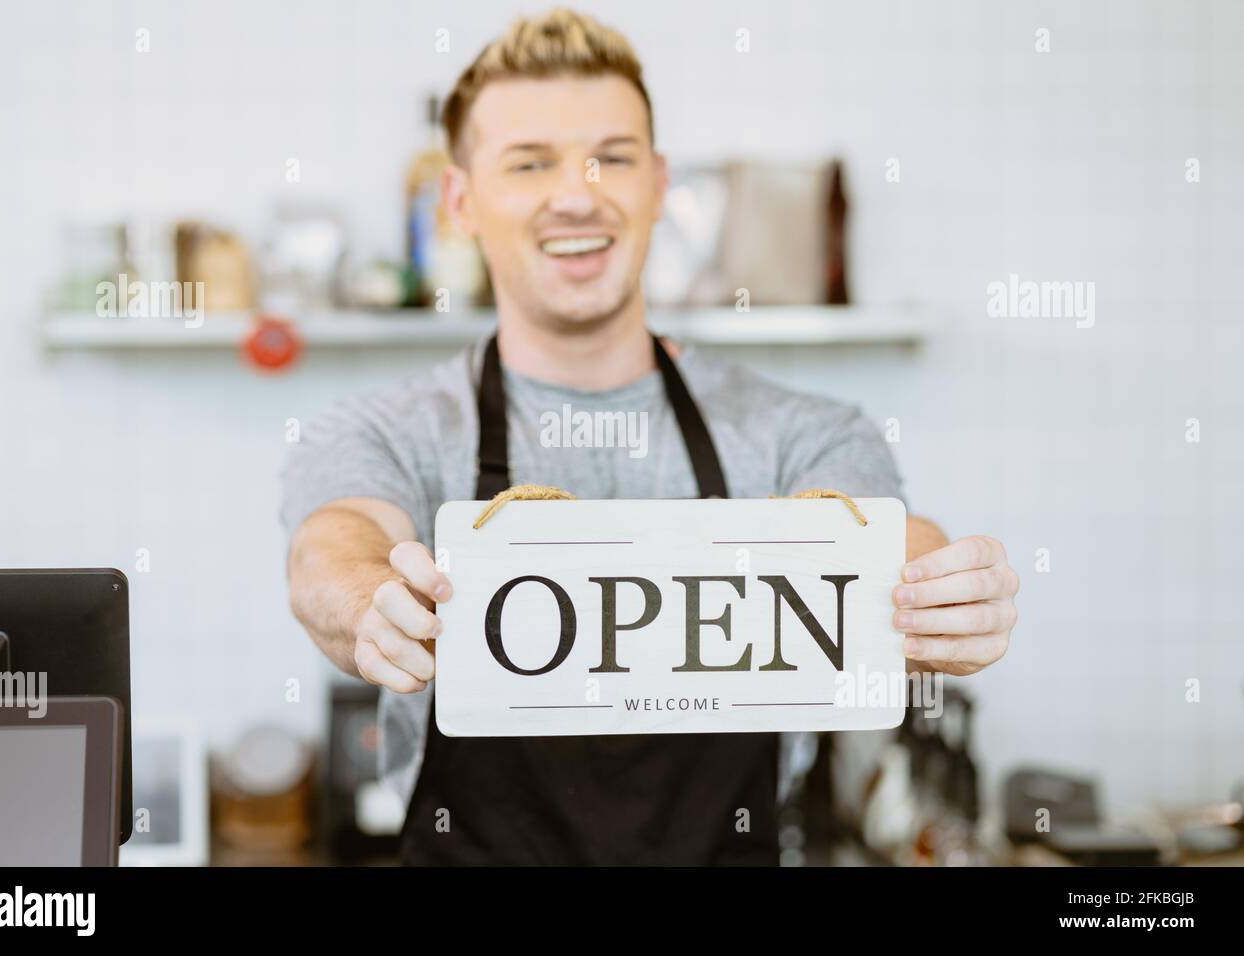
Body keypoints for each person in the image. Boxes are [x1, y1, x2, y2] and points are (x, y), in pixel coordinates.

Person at [282, 8, 1019, 865]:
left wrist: (938, 596)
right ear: (460, 200)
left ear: (659, 184)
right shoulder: (387, 431)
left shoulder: (798, 433)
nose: (576, 194)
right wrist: (374, 603)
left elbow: (889, 541)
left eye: (614, 157)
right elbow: (334, 547)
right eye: (529, 162)